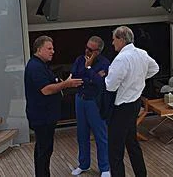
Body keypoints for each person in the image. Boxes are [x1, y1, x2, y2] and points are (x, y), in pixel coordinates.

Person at [25, 35, 83, 177]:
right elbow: (46, 90)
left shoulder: (41, 65)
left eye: (53, 48)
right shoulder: (35, 67)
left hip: (45, 116)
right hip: (42, 117)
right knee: (44, 150)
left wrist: (60, 83)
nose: (53, 51)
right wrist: (66, 84)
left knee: (43, 149)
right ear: (39, 50)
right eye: (49, 48)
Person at [105, 26, 159, 177]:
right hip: (135, 104)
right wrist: (139, 78)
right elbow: (155, 69)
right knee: (132, 143)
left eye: (114, 39)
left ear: (121, 40)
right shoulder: (141, 53)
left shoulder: (121, 59)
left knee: (115, 150)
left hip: (122, 107)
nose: (112, 43)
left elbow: (110, 85)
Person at [71, 36, 111, 177]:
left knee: (101, 135)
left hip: (94, 102)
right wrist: (92, 76)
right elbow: (75, 76)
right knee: (82, 134)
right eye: (86, 47)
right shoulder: (79, 59)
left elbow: (101, 83)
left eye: (90, 49)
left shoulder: (105, 63)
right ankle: (83, 164)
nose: (86, 51)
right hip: (80, 99)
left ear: (97, 51)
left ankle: (105, 168)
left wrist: (88, 69)